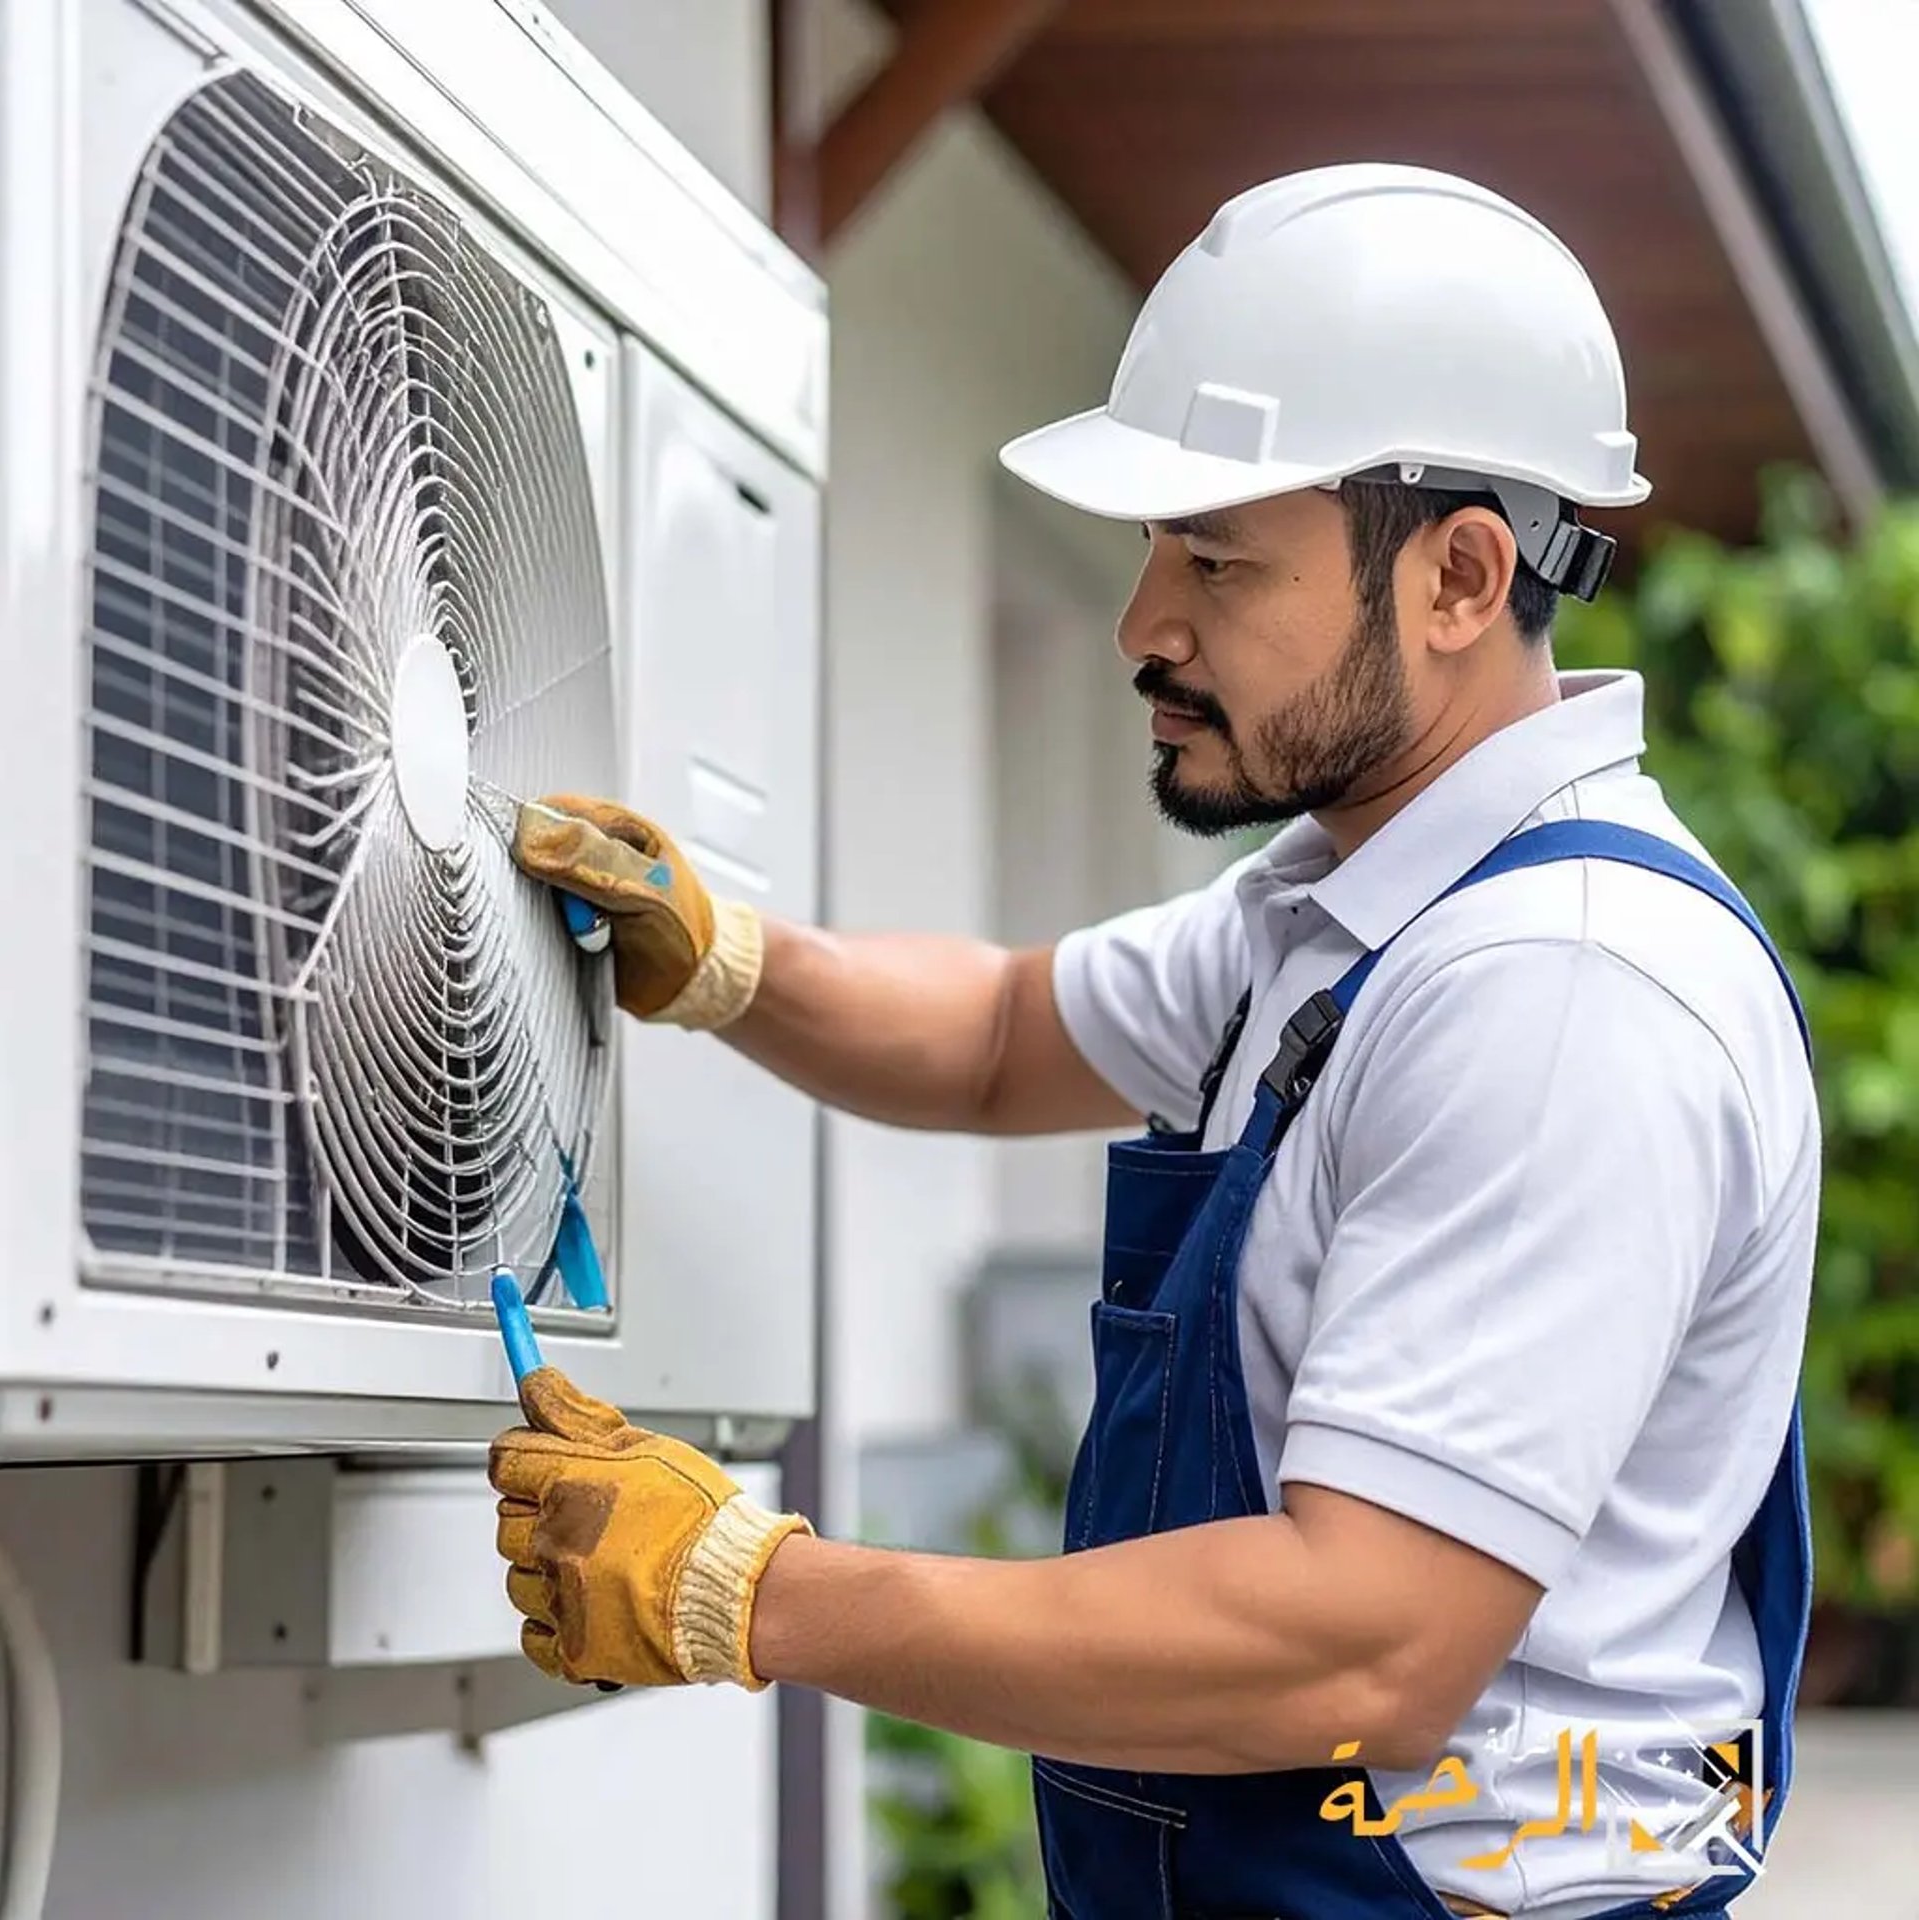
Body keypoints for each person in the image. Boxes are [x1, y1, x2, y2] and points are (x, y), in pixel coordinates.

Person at [488, 164, 1818, 1920]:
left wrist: (756, 1589)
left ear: (1459, 577)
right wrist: (724, 956)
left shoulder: (1557, 994)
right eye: (1145, 554)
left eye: (1215, 561)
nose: (1141, 630)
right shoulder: (1348, 907)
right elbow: (991, 1036)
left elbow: (1365, 1649)